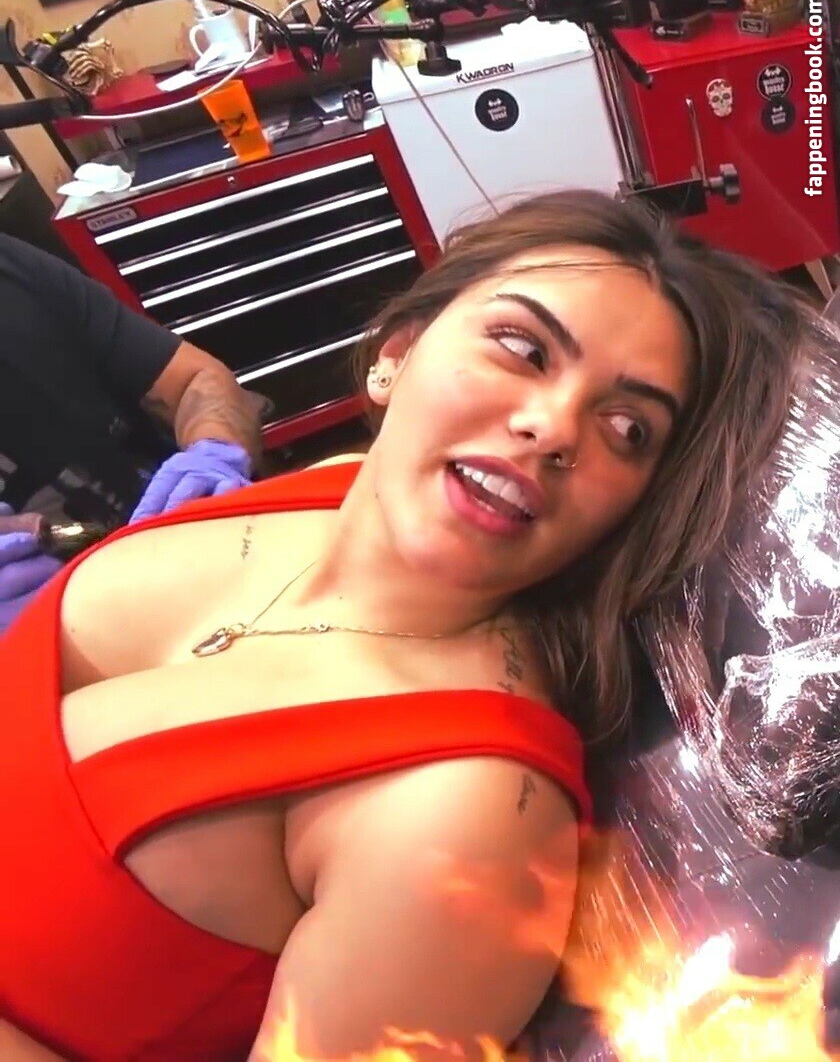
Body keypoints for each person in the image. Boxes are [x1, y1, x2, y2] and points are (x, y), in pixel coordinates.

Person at [1, 189, 821, 1062]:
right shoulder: (332, 483)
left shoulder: (460, 821)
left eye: (627, 428)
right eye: (523, 348)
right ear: (396, 356)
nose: (551, 427)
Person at [0, 232, 266, 631]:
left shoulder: (8, 270)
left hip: (217, 559)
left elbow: (193, 379)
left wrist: (215, 449)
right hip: (61, 646)